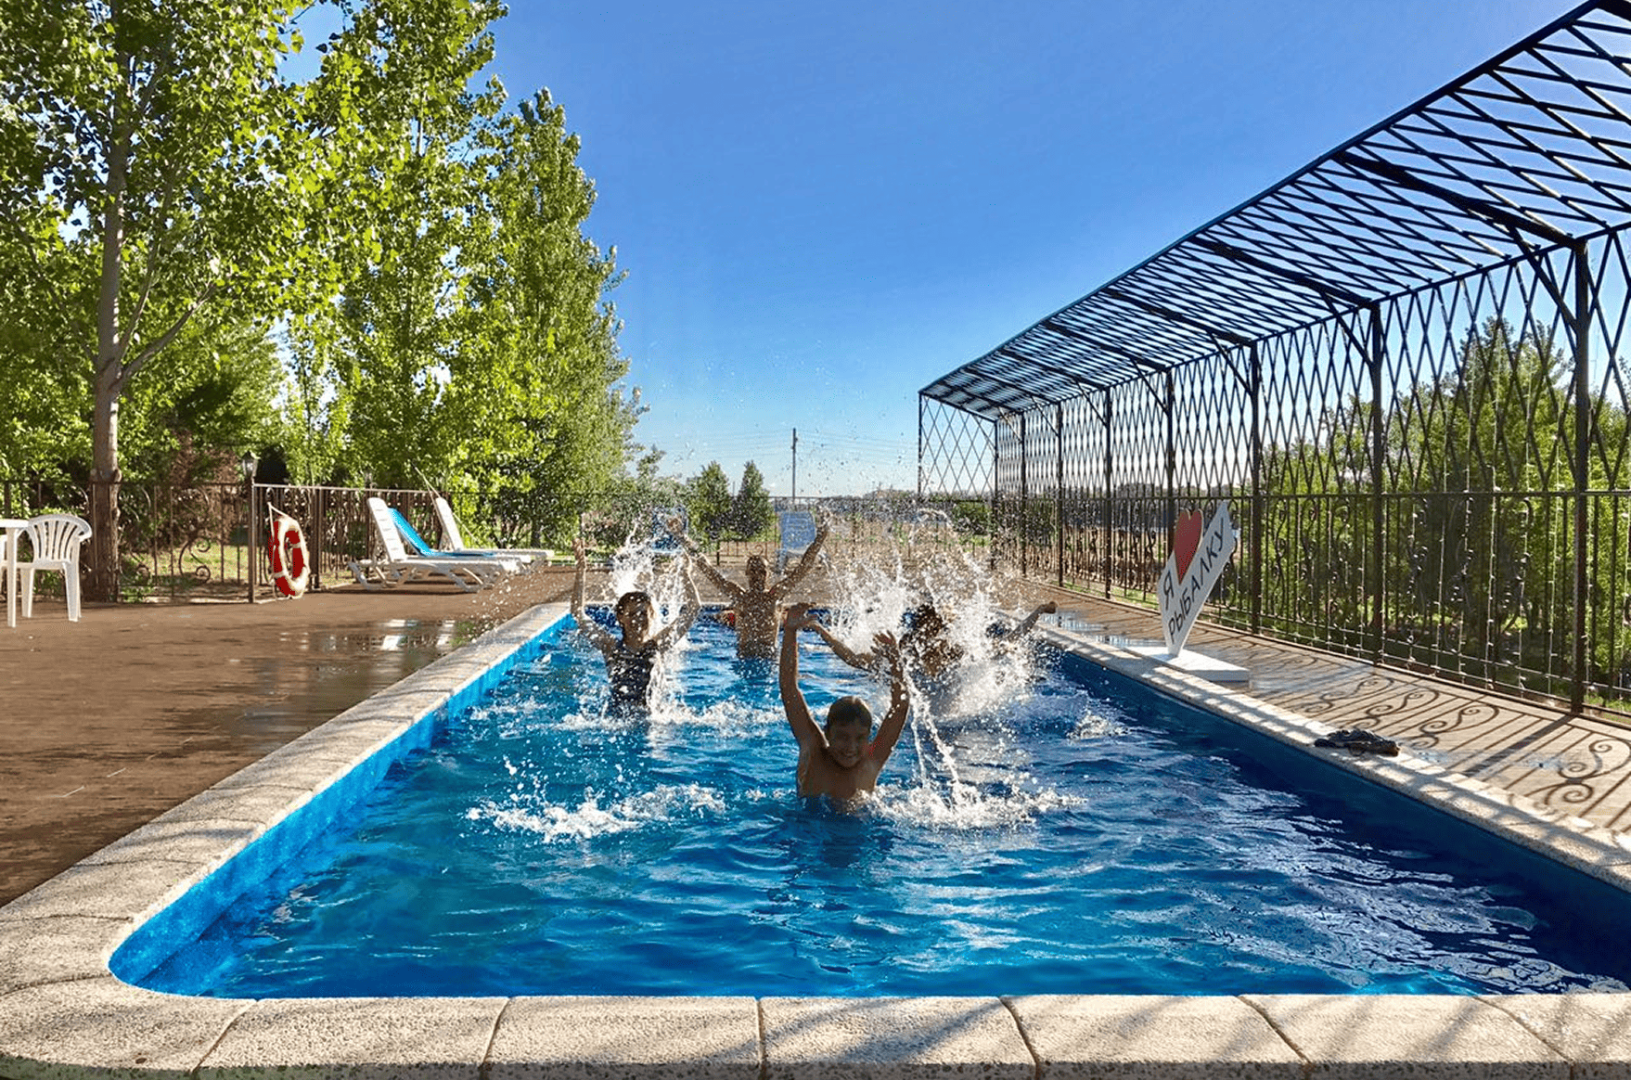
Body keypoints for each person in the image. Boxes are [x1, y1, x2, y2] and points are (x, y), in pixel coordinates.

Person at [779, 602, 910, 801]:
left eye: (859, 738)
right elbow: (789, 689)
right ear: (827, 733)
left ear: (868, 738)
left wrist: (895, 660)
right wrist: (790, 632)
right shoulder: (814, 752)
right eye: (842, 737)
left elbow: (900, 708)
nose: (851, 747)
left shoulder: (871, 760)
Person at [811, 597, 1060, 689]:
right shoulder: (903, 658)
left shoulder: (956, 654)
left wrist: (1037, 612)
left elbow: (1008, 640)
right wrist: (820, 630)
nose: (929, 642)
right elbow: (853, 659)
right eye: (924, 633)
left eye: (934, 633)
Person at [572, 535, 701, 712]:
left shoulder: (658, 644)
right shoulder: (610, 647)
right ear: (620, 618)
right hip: (617, 718)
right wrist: (581, 569)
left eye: (643, 614)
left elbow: (693, 608)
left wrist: (685, 573)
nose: (638, 619)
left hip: (653, 719)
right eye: (632, 614)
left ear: (652, 615)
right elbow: (578, 612)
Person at [671, 519, 830, 659]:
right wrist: (681, 536)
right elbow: (707, 568)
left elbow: (803, 567)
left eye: (761, 571)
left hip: (770, 659)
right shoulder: (739, 596)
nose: (756, 575)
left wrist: (821, 537)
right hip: (743, 660)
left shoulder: (775, 595)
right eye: (753, 570)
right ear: (746, 573)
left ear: (768, 574)